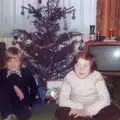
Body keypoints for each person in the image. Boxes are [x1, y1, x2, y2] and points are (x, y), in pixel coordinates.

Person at [55, 52, 120, 120]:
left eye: (85, 66)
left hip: (95, 108)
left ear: (91, 67)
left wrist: (87, 111)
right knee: (60, 111)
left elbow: (105, 99)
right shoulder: (69, 77)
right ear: (74, 66)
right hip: (75, 107)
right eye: (78, 65)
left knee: (114, 111)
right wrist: (81, 107)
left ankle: (90, 117)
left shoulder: (97, 76)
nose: (81, 69)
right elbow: (62, 100)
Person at [1, 46, 37, 120]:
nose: (12, 64)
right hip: (6, 104)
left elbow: (34, 88)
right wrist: (14, 87)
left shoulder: (26, 72)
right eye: (10, 61)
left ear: (20, 62)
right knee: (2, 87)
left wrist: (30, 104)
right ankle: (8, 115)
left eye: (15, 61)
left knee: (24, 114)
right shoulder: (2, 72)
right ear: (6, 62)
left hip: (21, 102)